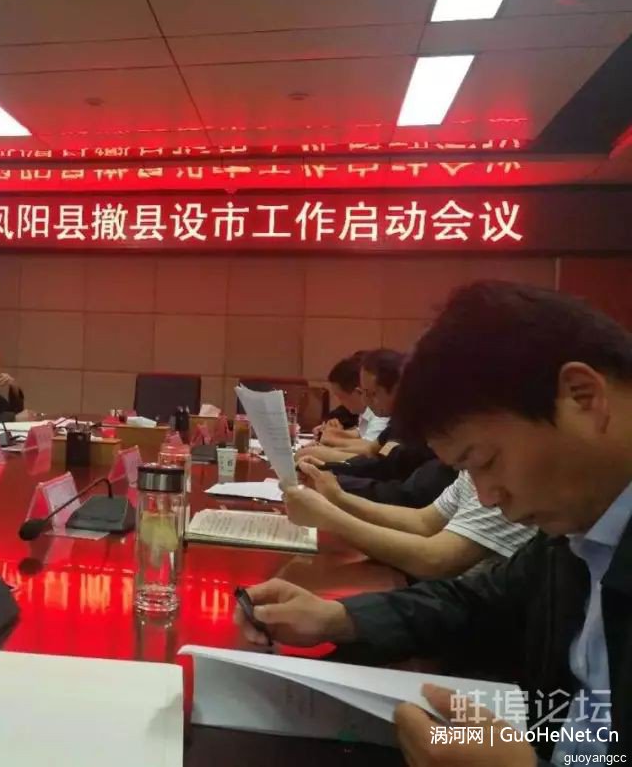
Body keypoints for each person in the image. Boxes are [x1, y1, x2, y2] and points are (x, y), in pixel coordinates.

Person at [236, 281, 632, 764]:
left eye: (486, 462)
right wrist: (336, 618)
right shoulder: (579, 530)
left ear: (582, 397)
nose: (487, 497)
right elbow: (477, 600)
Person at [288, 463, 534, 579]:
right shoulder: (472, 466)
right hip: (445, 602)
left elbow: (436, 560)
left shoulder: (512, 478)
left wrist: (329, 517)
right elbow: (424, 522)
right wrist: (339, 498)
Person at [299, 349, 404, 464]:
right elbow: (370, 450)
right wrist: (328, 443)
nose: (365, 400)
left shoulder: (393, 420)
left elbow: (374, 462)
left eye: (372, 393)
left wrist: (320, 451)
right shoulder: (393, 424)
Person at [316, 352, 366, 438]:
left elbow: (368, 445)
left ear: (358, 392)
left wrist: (333, 436)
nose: (341, 402)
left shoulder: (380, 415)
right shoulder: (362, 414)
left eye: (341, 397)